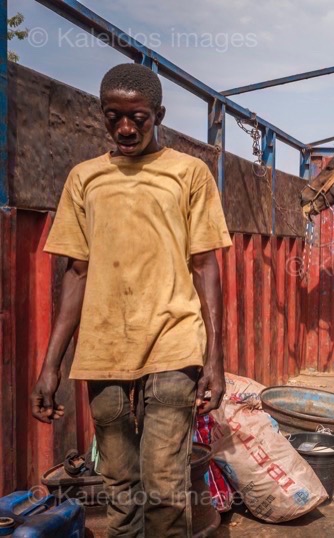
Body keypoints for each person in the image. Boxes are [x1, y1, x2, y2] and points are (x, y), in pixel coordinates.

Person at [29, 63, 232, 537]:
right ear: (102, 115)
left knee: (163, 489)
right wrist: (51, 364)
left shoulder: (189, 173)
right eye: (113, 116)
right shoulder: (85, 179)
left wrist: (215, 358)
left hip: (173, 345)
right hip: (103, 351)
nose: (125, 128)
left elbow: (206, 266)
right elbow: (76, 273)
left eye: (137, 118)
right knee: (120, 489)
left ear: (157, 114)